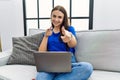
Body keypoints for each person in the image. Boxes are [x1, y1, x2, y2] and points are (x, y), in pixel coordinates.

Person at [36, 5, 93, 80]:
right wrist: (46, 36)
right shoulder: (47, 32)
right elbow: (41, 53)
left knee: (88, 67)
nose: (56, 19)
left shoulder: (69, 29)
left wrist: (69, 37)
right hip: (51, 65)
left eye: (59, 17)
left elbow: (73, 44)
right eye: (54, 16)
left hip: (69, 64)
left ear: (63, 19)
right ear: (51, 17)